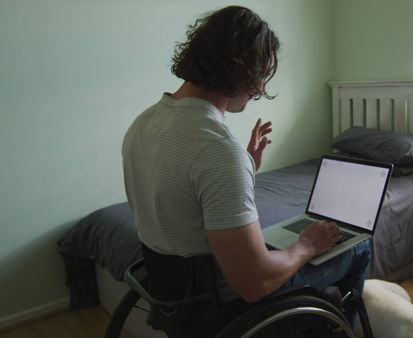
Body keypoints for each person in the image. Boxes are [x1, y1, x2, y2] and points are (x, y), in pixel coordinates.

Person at [122, 5, 370, 333]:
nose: (261, 91)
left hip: (175, 301)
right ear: (243, 70)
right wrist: (307, 245)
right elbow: (256, 283)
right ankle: (330, 328)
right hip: (226, 308)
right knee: (359, 247)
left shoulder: (143, 123)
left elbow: (184, 197)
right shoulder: (217, 148)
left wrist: (247, 165)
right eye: (262, 76)